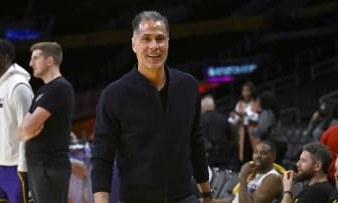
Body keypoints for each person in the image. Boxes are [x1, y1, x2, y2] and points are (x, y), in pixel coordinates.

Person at [90, 10, 212, 203]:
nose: (154, 46)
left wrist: (206, 192)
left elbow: (196, 140)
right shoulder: (114, 95)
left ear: (168, 43)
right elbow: (102, 156)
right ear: (134, 44)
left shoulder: (188, 85)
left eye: (160, 39)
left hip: (185, 197)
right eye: (146, 39)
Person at [17, 42, 74, 203]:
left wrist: (29, 130)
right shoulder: (42, 91)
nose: (30, 63)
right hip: (38, 167)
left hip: (50, 167)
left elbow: (27, 128)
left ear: (49, 61)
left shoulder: (60, 88)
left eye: (35, 58)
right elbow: (21, 133)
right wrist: (28, 130)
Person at [0, 39, 33, 203]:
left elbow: (28, 128)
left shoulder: (19, 87)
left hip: (15, 168)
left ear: (5, 57)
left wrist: (23, 168)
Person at [215, 140, 284, 203]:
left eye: (263, 153)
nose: (258, 156)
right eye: (255, 152)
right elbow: (236, 199)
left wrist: (243, 176)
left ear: (273, 156)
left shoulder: (273, 178)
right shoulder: (253, 174)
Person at [201, 94, 237, 170]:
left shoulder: (199, 121)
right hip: (225, 157)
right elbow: (232, 136)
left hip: (207, 160)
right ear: (214, 106)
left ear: (202, 108)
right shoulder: (223, 117)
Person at [250, 91, 287, 165]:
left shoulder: (267, 112)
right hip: (280, 143)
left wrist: (252, 131)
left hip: (274, 144)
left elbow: (262, 130)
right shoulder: (273, 111)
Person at [228, 81, 260, 163]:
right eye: (243, 90)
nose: (245, 93)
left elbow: (258, 118)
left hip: (255, 132)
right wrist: (234, 116)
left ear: (252, 91)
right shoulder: (239, 104)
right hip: (243, 132)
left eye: (247, 90)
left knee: (256, 154)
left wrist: (246, 114)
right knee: (245, 156)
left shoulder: (257, 102)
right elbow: (234, 121)